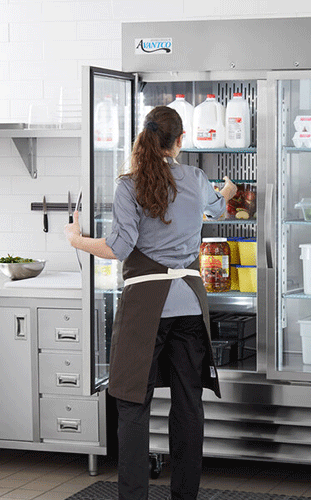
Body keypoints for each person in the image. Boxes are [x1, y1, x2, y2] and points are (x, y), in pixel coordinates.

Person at [64, 105, 237, 500]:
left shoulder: (129, 185)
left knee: (132, 404)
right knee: (188, 405)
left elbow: (118, 247)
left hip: (145, 308)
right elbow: (218, 207)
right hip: (191, 305)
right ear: (179, 141)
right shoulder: (195, 177)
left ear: (144, 137)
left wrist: (75, 239)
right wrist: (224, 192)